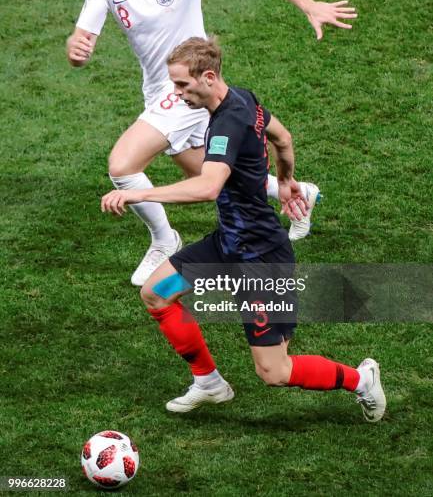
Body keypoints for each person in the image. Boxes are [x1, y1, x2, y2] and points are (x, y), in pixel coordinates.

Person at [68, 0, 357, 286]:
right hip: (157, 91)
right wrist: (77, 51)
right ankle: (297, 193)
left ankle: (164, 240)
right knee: (209, 172)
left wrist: (308, 5)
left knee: (122, 165)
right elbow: (82, 41)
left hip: (189, 89)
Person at [101, 37, 386, 422]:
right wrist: (285, 180)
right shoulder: (244, 98)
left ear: (208, 77)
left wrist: (138, 194)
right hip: (225, 248)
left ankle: (362, 380)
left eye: (182, 85)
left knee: (275, 370)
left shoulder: (227, 125)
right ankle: (209, 382)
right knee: (156, 294)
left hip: (260, 260)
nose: (176, 93)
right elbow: (282, 137)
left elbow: (207, 186)